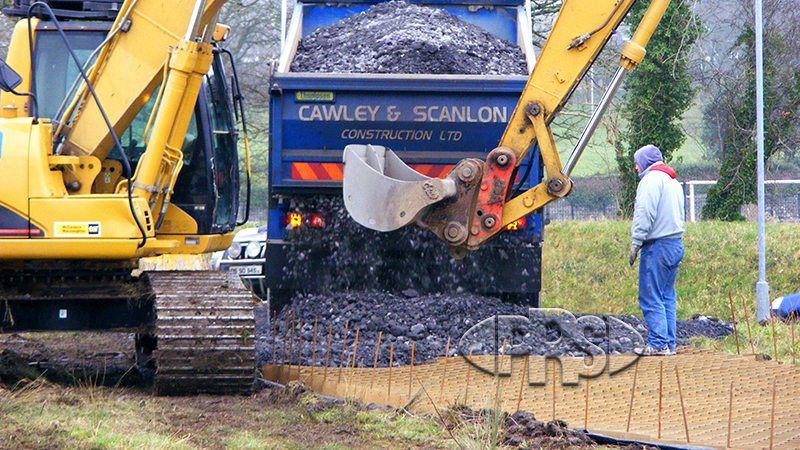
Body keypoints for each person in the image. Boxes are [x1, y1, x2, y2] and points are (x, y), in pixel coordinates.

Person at [628, 145, 685, 356]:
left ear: (645, 162)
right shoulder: (672, 182)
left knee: (650, 296)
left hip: (657, 246)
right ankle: (669, 343)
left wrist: (636, 242)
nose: (635, 167)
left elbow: (644, 213)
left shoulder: (651, 181)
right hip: (675, 244)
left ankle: (659, 343)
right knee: (666, 295)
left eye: (637, 162)